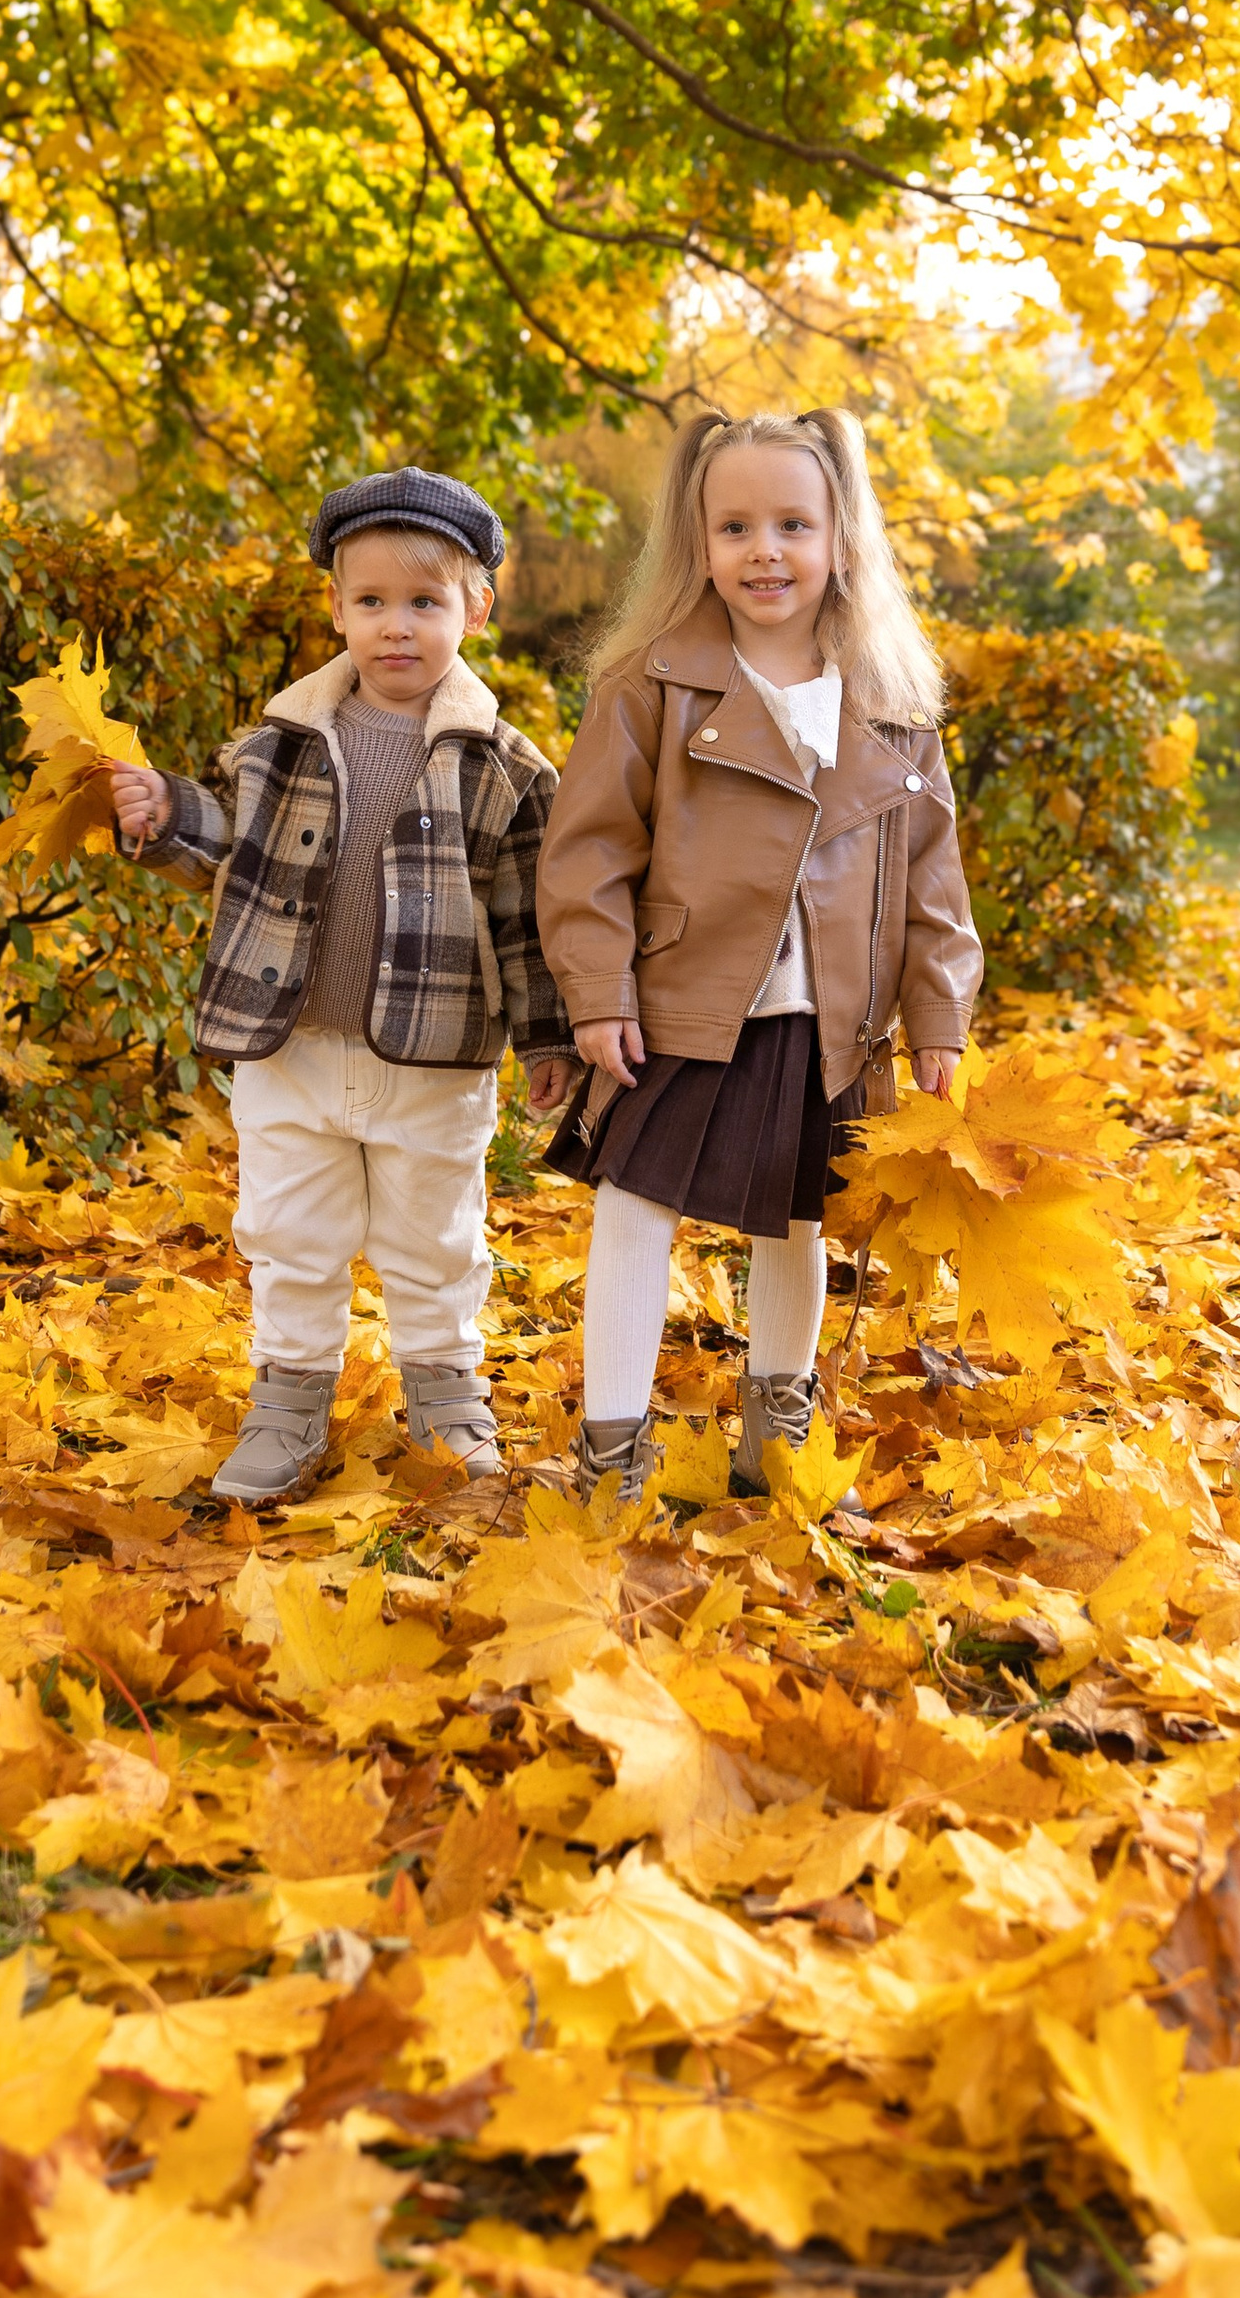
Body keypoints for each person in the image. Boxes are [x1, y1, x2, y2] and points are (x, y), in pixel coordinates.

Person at [535, 407, 981, 1503]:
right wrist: (596, 994)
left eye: (792, 523)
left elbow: (933, 883)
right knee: (634, 1208)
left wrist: (937, 1022)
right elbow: (587, 853)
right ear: (697, 540)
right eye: (734, 527)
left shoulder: (890, 709)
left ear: (840, 539)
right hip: (683, 1002)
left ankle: (776, 1427)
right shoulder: (650, 683)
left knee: (797, 1219)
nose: (765, 551)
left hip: (830, 1015)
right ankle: (612, 1448)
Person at [107, 469, 575, 1503]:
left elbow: (525, 918)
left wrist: (549, 1040)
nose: (394, 627)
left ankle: (446, 1396)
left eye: (423, 603)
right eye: (369, 602)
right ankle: (287, 1402)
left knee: (433, 1238)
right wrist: (163, 811)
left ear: (475, 609)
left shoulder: (503, 767)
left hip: (434, 1055)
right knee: (289, 1234)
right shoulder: (282, 741)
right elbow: (223, 839)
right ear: (335, 607)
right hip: (291, 1047)